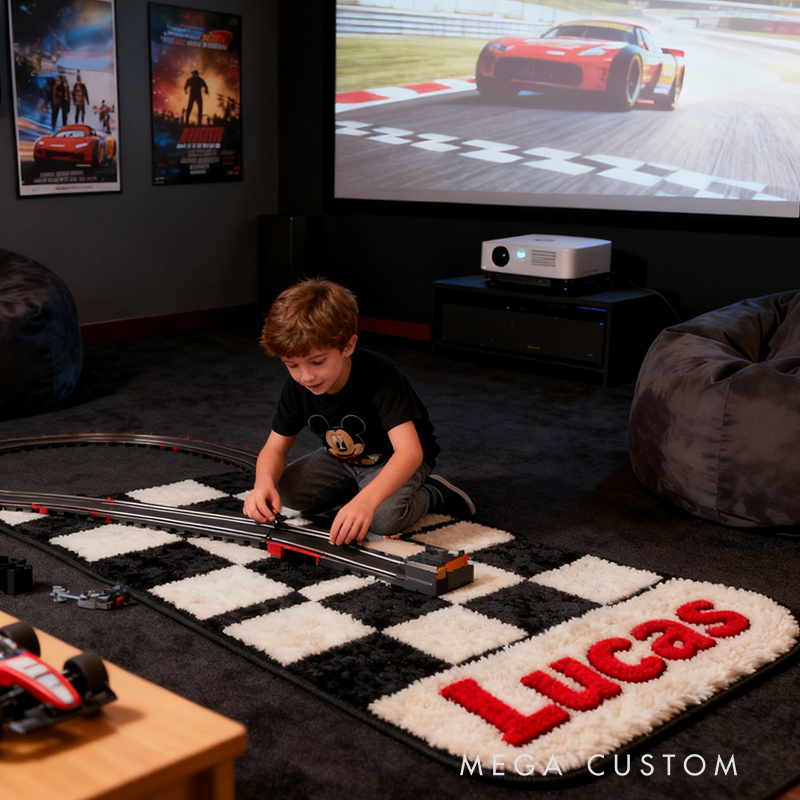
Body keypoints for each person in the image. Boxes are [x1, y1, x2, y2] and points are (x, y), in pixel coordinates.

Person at [243, 278, 475, 546]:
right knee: (287, 491)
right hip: (345, 459)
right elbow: (274, 448)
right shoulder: (297, 388)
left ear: (348, 346)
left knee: (383, 519)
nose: (305, 376)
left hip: (396, 461)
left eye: (317, 362)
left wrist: (366, 502)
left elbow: (410, 453)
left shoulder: (381, 375)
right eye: (291, 365)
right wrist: (262, 484)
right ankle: (362, 492)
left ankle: (435, 493)